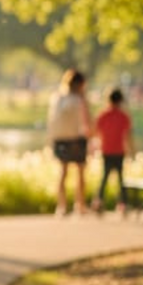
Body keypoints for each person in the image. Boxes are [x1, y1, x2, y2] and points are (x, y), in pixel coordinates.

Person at [46, 68, 92, 216]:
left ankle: (61, 206)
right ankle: (80, 205)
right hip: (76, 138)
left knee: (63, 173)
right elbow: (85, 122)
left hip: (60, 139)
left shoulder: (57, 98)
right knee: (80, 173)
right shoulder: (79, 100)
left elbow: (51, 122)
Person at [93, 88, 134, 214]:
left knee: (104, 177)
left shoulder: (103, 115)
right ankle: (123, 203)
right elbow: (128, 135)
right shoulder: (124, 116)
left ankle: (99, 201)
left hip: (107, 150)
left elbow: (96, 132)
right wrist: (132, 150)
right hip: (119, 151)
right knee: (121, 179)